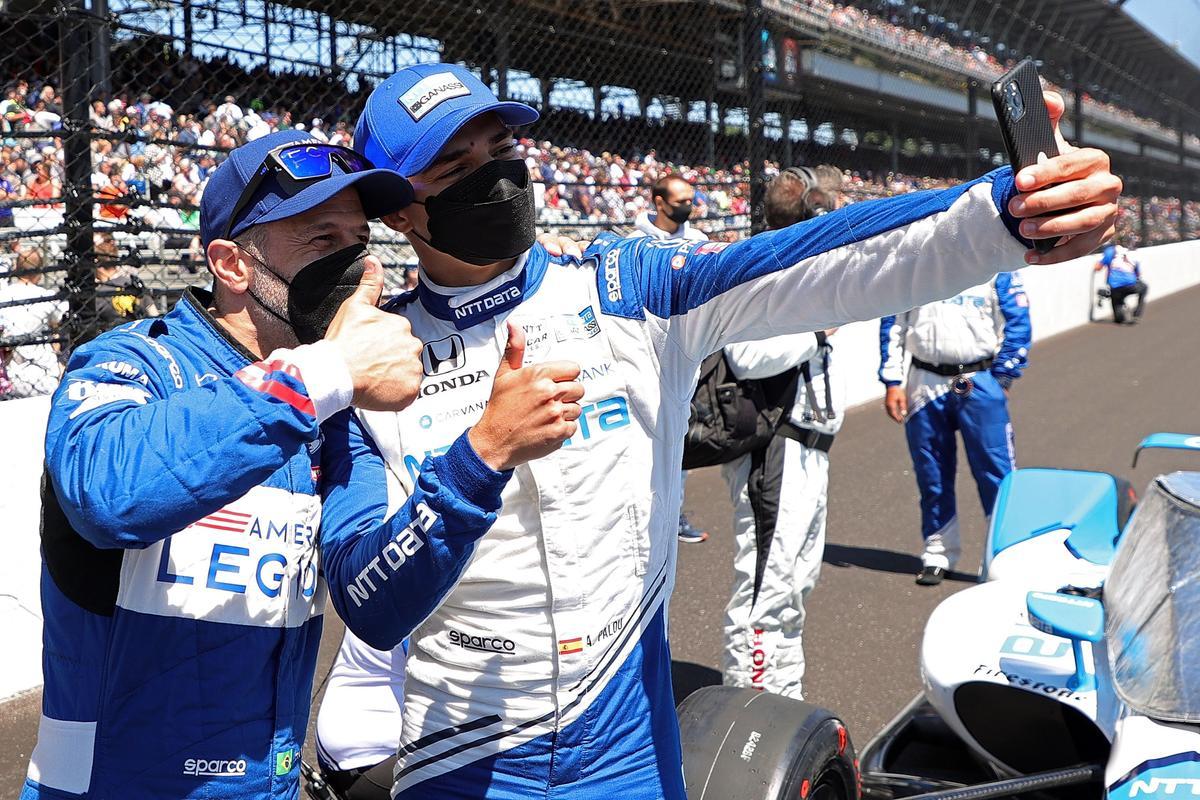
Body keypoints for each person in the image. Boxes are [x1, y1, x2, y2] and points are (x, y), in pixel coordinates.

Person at [350, 62, 1118, 799]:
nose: (496, 174)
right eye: (456, 166)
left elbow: (817, 263)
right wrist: (480, 459)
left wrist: (1005, 217)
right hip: (462, 762)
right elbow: (369, 602)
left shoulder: (626, 291)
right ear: (394, 210)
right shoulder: (373, 362)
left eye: (504, 147)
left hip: (630, 755)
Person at [21, 130, 580, 799]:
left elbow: (377, 600)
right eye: (322, 242)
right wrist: (327, 371)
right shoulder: (133, 362)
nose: (350, 265)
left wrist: (482, 458)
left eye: (357, 242)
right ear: (231, 265)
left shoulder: (334, 414)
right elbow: (107, 492)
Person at [722, 165, 845, 699]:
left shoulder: (804, 273)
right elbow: (745, 356)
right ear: (811, 215)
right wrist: (815, 331)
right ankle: (747, 705)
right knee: (765, 587)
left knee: (797, 585)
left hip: (810, 449)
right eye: (831, 209)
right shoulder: (763, 272)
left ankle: (784, 701)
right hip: (775, 449)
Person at [878, 268, 1032, 586]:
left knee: (997, 473)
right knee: (931, 472)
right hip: (925, 381)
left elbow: (1018, 322)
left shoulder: (997, 266)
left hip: (981, 379)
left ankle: (1001, 557)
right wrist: (893, 381)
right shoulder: (914, 265)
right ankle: (938, 551)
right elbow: (892, 323)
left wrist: (1003, 376)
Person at [628, 173, 710, 543]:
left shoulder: (699, 241)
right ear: (659, 203)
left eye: (691, 199)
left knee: (677, 434)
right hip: (641, 351)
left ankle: (672, 516)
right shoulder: (633, 244)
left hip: (684, 352)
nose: (688, 207)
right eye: (680, 201)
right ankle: (637, 518)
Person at [0, 245, 64, 398]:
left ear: (16, 268)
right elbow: (57, 326)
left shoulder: (2, 295)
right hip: (44, 369)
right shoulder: (46, 296)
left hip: (10, 371)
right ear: (40, 272)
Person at [1095, 241, 1147, 324]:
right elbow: (1138, 274)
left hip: (1115, 287)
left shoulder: (1109, 252)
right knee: (1144, 287)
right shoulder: (1130, 253)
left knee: (1119, 316)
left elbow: (1097, 268)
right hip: (1131, 285)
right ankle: (1137, 313)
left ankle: (1120, 309)